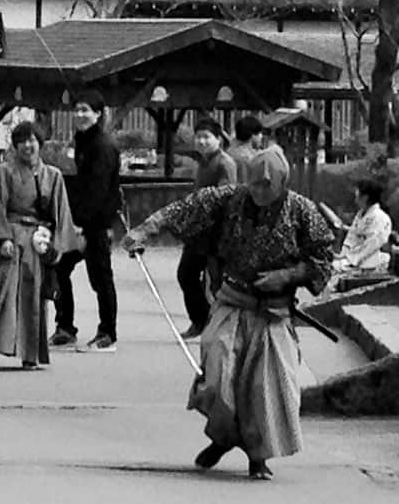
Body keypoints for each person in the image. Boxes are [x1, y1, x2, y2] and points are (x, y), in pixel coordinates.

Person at [122, 148, 334, 480]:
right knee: (217, 378)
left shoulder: (303, 212)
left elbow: (322, 259)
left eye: (267, 185)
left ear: (282, 183)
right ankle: (223, 438)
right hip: (232, 302)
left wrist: (288, 275)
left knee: (265, 389)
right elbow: (185, 208)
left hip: (272, 313)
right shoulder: (231, 199)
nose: (259, 191)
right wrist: (144, 230)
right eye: (254, 184)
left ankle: (257, 456)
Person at [0, 121, 76, 369]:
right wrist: (0, 240)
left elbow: (61, 214)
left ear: (40, 144)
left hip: (36, 241)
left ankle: (30, 354)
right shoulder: (3, 172)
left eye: (32, 140)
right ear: (15, 145)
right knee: (0, 294)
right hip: (11, 236)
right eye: (22, 141)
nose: (27, 146)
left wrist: (53, 247)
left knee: (33, 298)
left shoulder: (52, 176)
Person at [50, 90, 122, 353]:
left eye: (86, 110)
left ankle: (108, 334)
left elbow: (98, 190)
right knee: (59, 269)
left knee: (101, 279)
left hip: (95, 224)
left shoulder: (102, 146)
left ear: (98, 114)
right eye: (77, 110)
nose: (80, 115)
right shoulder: (81, 141)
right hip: (77, 221)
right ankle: (65, 328)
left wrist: (81, 226)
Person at [177, 117, 237, 339]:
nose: (201, 141)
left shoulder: (225, 164)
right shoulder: (202, 163)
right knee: (186, 274)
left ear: (219, 139)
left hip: (216, 233)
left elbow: (225, 196)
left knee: (216, 282)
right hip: (198, 232)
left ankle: (221, 326)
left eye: (207, 137)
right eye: (198, 137)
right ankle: (200, 319)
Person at [330, 179, 393, 281]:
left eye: (356, 196)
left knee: (334, 268)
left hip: (371, 261)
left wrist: (350, 259)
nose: (355, 200)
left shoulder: (380, 218)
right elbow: (351, 237)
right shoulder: (360, 214)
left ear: (365, 198)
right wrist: (342, 254)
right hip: (356, 258)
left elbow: (371, 245)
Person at [227, 114, 263, 184]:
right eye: (259, 133)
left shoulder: (229, 151)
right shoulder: (248, 158)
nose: (261, 136)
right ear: (252, 135)